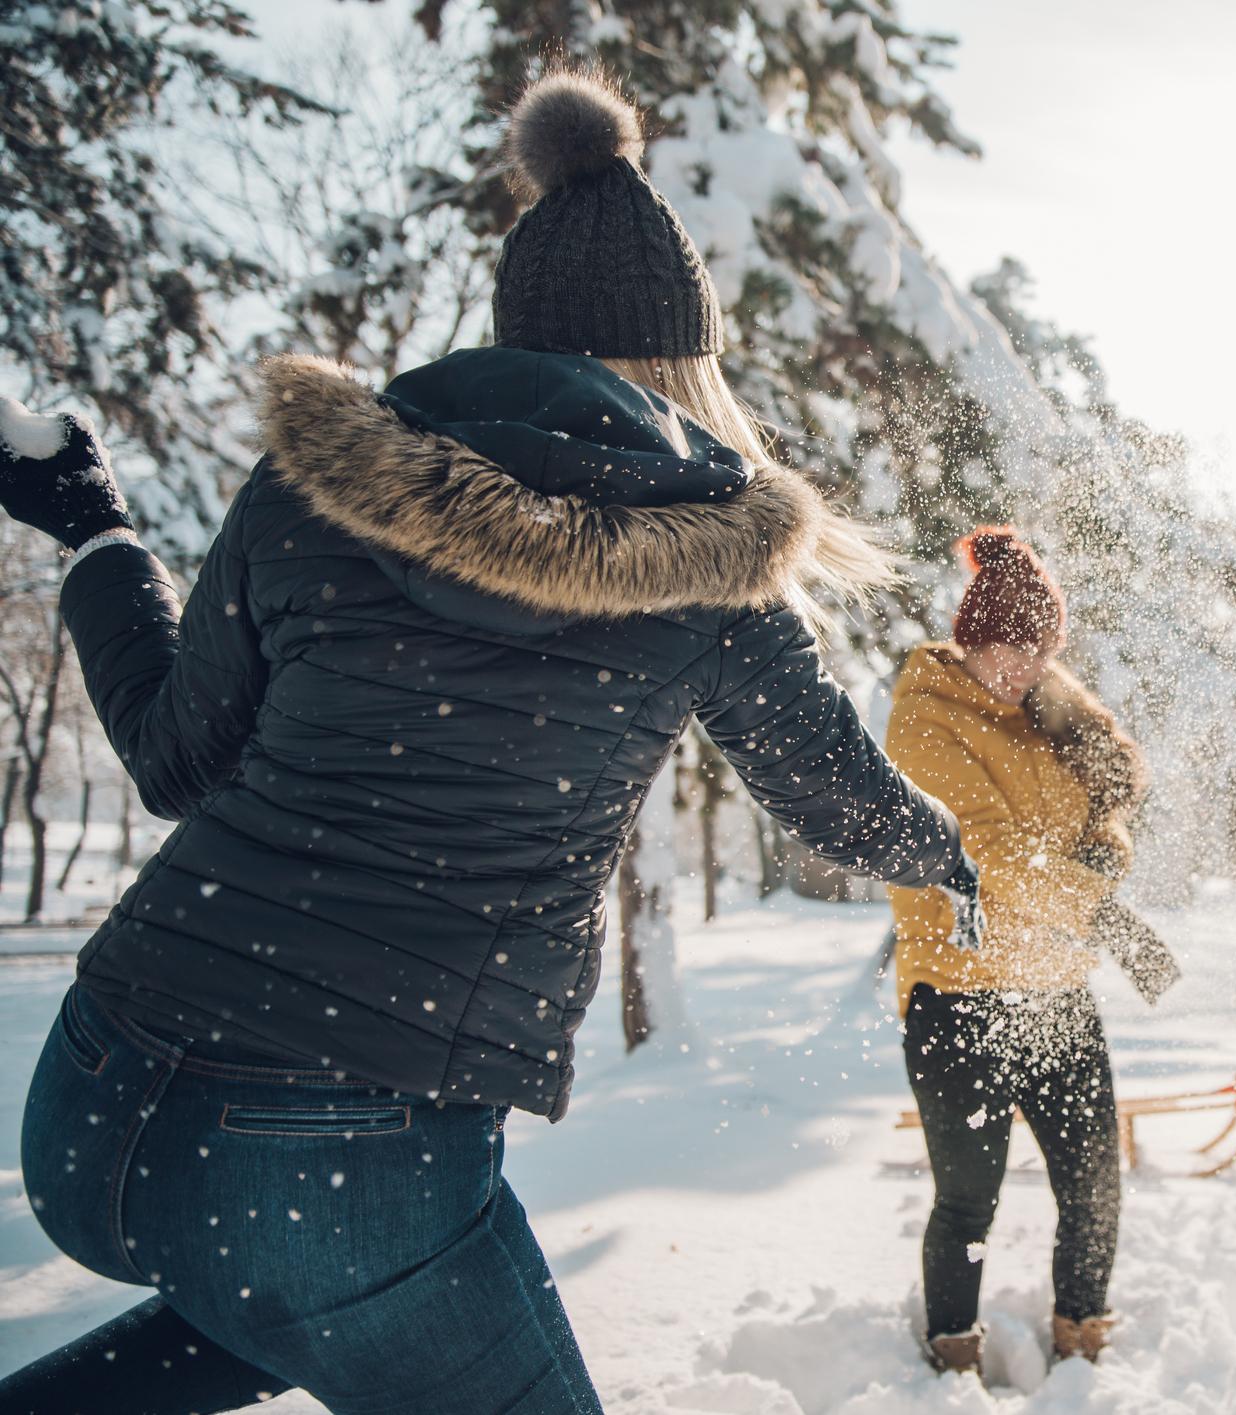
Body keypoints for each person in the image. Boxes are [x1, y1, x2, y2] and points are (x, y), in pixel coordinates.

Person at [0, 70, 981, 1415]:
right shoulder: (704, 562)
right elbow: (841, 805)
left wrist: (104, 533)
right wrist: (952, 847)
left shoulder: (318, 487)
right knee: (322, 1277)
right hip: (339, 1148)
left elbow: (175, 761)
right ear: (678, 362)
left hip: (94, 1092)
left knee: (295, 1298)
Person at [887, 527, 1166, 1377]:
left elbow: (1099, 826)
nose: (1023, 668)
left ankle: (1083, 1342)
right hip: (957, 994)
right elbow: (992, 856)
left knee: (1093, 1183)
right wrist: (1108, 916)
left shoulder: (1043, 717)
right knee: (969, 1198)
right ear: (971, 640)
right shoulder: (923, 722)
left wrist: (1105, 856)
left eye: (1040, 651)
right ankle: (952, 1357)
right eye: (1010, 649)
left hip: (1053, 992)